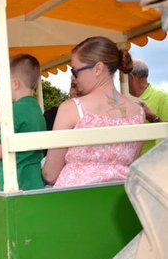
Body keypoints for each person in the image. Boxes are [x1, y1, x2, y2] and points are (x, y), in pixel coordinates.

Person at [42, 36, 145, 188]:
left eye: (75, 71)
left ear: (98, 69)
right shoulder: (138, 112)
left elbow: (50, 175)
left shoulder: (71, 109)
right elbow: (132, 162)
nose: (72, 77)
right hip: (122, 199)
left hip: (75, 201)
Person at [0, 54, 47, 191]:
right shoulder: (36, 108)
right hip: (33, 178)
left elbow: (2, 149)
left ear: (15, 83)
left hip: (16, 181)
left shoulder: (13, 110)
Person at [128, 59, 168, 154]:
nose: (119, 80)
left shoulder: (162, 97)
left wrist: (152, 117)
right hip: (129, 163)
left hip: (152, 164)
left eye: (122, 76)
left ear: (130, 77)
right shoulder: (124, 99)